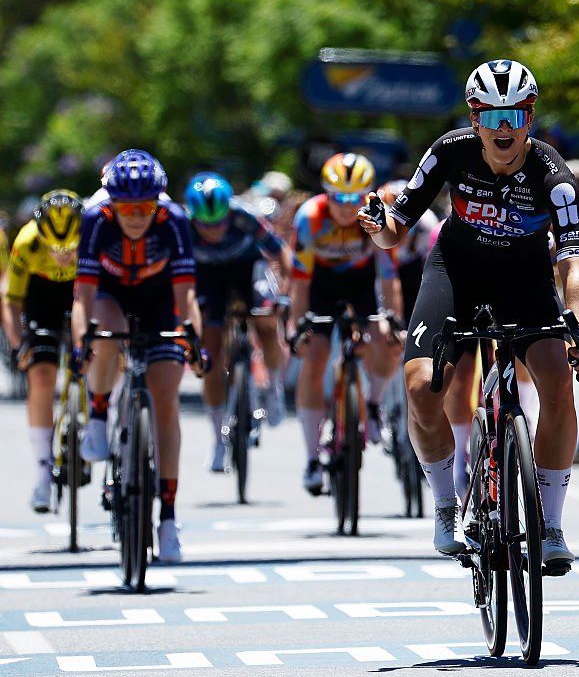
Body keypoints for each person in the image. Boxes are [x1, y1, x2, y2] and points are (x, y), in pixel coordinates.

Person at [357, 59, 579, 572]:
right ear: (474, 121)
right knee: (423, 387)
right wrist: (377, 227)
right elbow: (394, 230)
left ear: (530, 118)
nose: (504, 128)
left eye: (516, 115)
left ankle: (551, 525)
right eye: (491, 117)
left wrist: (578, 331)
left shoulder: (554, 176)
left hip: (525, 280)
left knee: (559, 383)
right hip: (457, 273)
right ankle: (447, 506)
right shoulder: (450, 152)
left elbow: (573, 265)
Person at [74, 149, 206, 563]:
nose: (134, 216)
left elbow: (187, 294)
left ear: (158, 202)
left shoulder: (175, 220)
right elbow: (84, 295)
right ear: (110, 202)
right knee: (107, 336)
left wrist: (194, 342)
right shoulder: (96, 218)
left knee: (165, 399)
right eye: (125, 207)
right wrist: (83, 344)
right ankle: (97, 415)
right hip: (112, 294)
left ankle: (167, 517)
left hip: (160, 297)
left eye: (144, 207)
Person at [289, 153, 404, 495]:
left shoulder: (374, 215)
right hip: (320, 285)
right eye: (338, 197)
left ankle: (372, 405)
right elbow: (299, 281)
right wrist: (298, 326)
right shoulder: (309, 218)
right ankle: (312, 457)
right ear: (326, 193)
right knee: (316, 355)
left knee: (385, 340)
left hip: (360, 282)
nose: (346, 206)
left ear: (366, 195)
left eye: (354, 198)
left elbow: (388, 275)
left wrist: (394, 320)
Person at [183, 172, 293, 472]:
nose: (214, 231)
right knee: (211, 352)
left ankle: (273, 387)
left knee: (268, 325)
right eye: (206, 225)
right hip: (209, 279)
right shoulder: (183, 226)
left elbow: (280, 251)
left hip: (248, 269)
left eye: (219, 222)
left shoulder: (245, 216)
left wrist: (284, 291)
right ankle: (218, 439)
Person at [2, 190, 82, 511]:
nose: (62, 255)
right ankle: (41, 476)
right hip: (42, 297)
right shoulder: (27, 243)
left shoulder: (93, 235)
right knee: (42, 376)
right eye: (55, 248)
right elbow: (11, 302)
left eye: (69, 248)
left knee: (101, 353)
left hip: (80, 293)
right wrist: (19, 343)